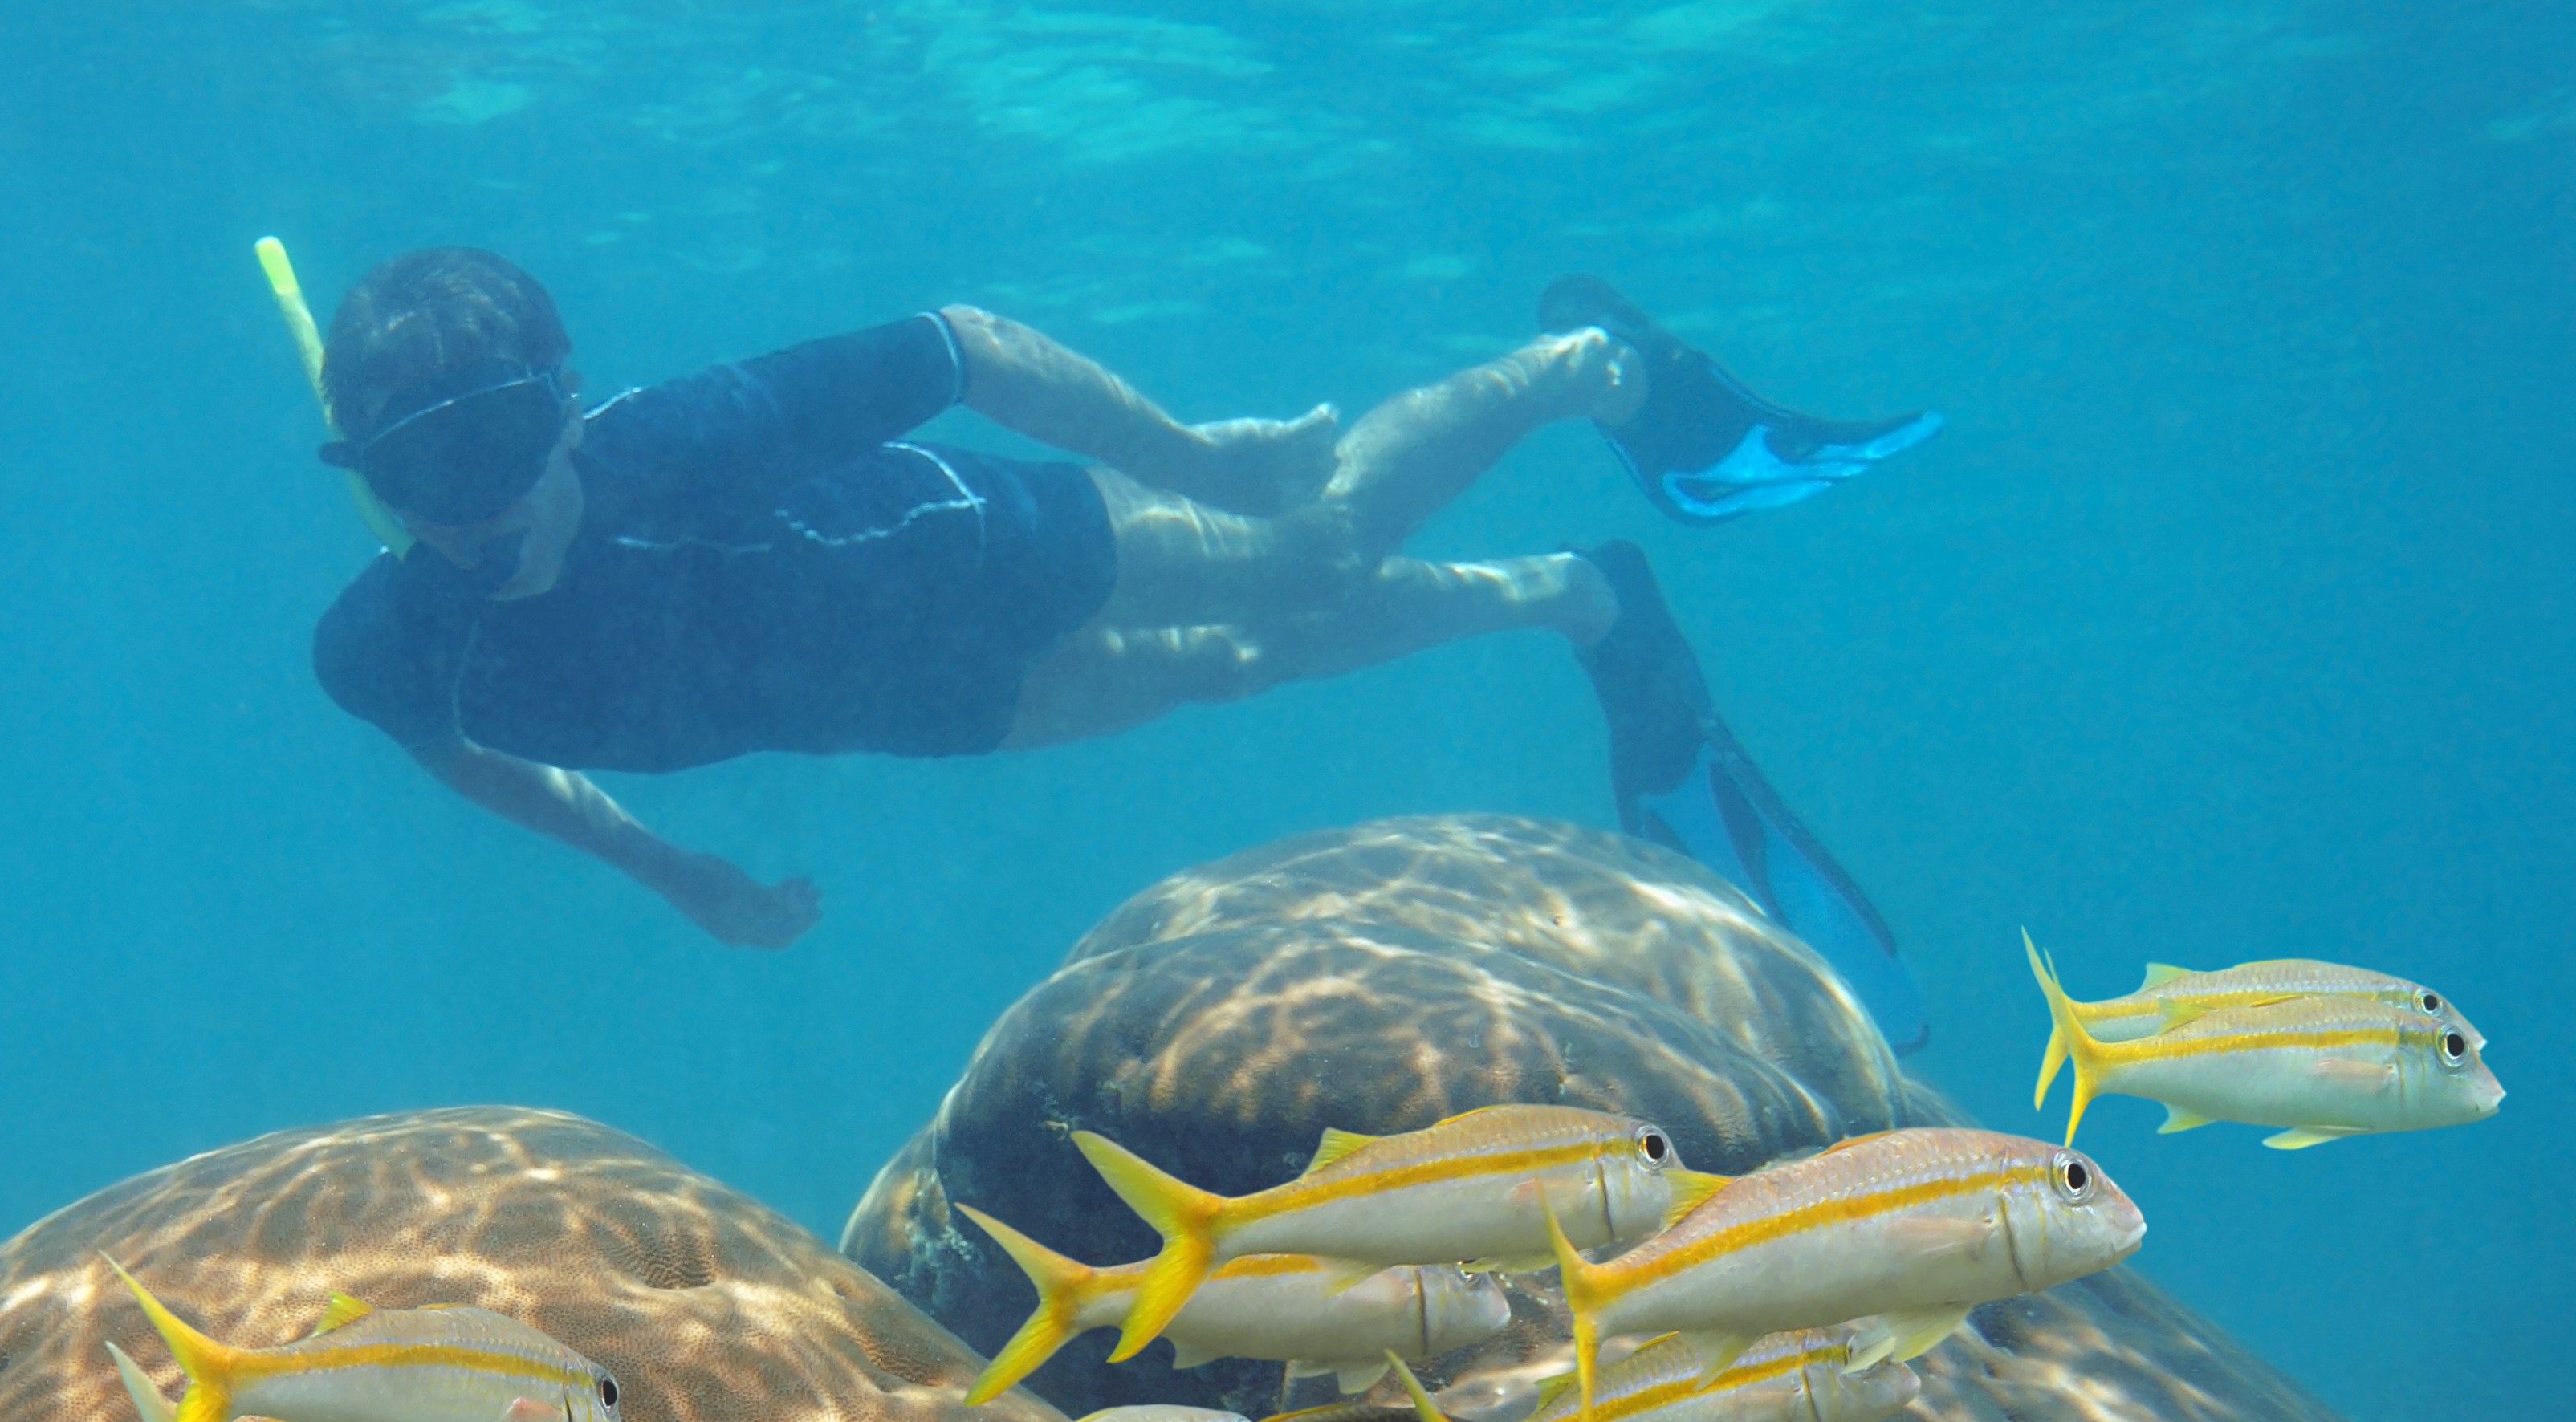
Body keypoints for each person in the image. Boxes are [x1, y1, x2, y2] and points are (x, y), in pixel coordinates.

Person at [304, 251, 1940, 1046]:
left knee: (1308, 546)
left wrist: (1197, 460)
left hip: (987, 541)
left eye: (503, 437)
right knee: (1240, 667)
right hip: (917, 702)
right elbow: (466, 759)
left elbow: (968, 346)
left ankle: (1590, 361)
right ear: (364, 486)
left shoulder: (681, 441)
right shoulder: (387, 646)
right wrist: (678, 877)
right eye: (413, 473)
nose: (474, 508)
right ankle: (1578, 595)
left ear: (568, 400)